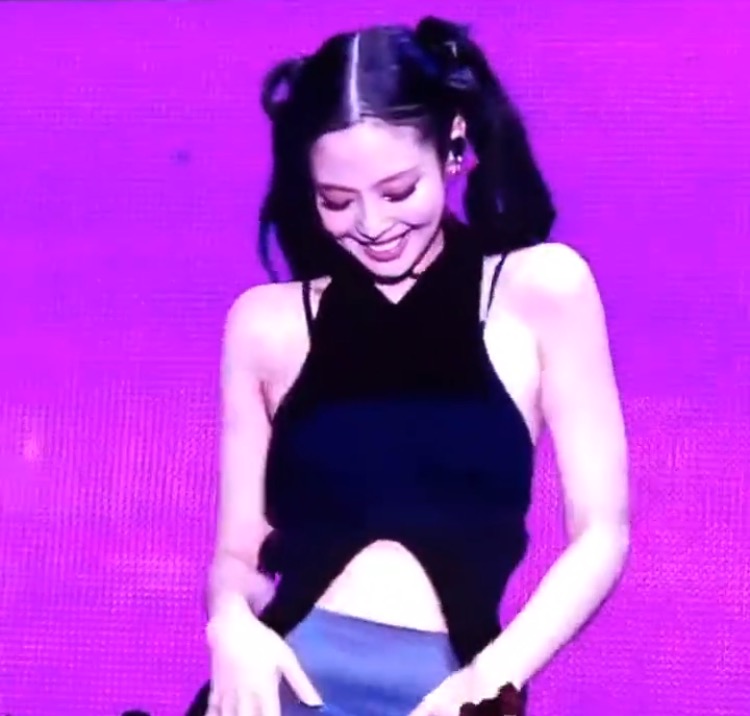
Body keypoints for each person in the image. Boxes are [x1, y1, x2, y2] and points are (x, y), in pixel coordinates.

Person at [187, 15, 630, 716]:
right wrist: (231, 624)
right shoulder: (263, 325)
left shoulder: (543, 290)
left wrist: (489, 680)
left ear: (453, 145)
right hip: (280, 689)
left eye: (397, 192)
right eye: (336, 201)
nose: (371, 225)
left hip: (454, 695)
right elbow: (238, 557)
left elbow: (603, 532)